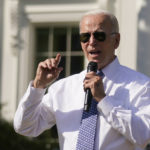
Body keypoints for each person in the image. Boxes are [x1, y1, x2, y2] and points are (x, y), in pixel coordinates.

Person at [14, 9, 150, 150]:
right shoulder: (63, 88)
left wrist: (104, 100)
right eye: (85, 37)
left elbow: (144, 135)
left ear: (116, 40)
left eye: (99, 35)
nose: (91, 42)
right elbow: (25, 127)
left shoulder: (140, 85)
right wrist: (38, 86)